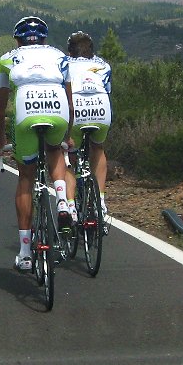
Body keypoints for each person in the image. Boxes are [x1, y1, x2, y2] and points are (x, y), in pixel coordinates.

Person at [0, 16, 73, 271]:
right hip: (57, 106)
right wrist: (67, 135)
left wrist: (1, 139)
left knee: (26, 178)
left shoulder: (7, 58)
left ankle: (26, 252)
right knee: (55, 150)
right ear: (45, 39)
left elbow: (0, 107)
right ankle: (62, 200)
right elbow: (70, 102)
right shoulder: (61, 56)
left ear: (17, 39)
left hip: (26, 109)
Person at [63, 31, 113, 233]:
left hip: (76, 108)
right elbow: (108, 91)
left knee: (67, 153)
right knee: (98, 149)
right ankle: (100, 201)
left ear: (70, 51)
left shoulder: (64, 64)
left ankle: (71, 205)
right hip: (101, 107)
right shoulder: (104, 65)